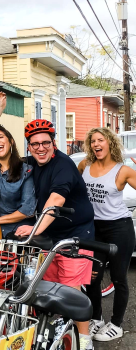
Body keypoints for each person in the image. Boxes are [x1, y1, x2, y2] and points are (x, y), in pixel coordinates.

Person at [15, 119, 95, 350]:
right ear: (28, 146)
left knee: (71, 292)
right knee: (49, 287)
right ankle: (57, 332)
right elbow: (4, 161)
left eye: (45, 143)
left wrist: (34, 228)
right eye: (35, 144)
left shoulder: (63, 165)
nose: (41, 148)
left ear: (54, 143)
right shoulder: (33, 161)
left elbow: (55, 201)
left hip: (76, 234)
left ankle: (85, 342)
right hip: (51, 234)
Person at [78, 128, 136, 342]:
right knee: (92, 277)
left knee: (119, 278)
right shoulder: (84, 166)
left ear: (110, 143)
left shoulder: (123, 171)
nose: (96, 144)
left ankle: (117, 324)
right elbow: (73, 190)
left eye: (100, 140)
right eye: (92, 141)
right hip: (94, 229)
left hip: (119, 228)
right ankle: (96, 318)